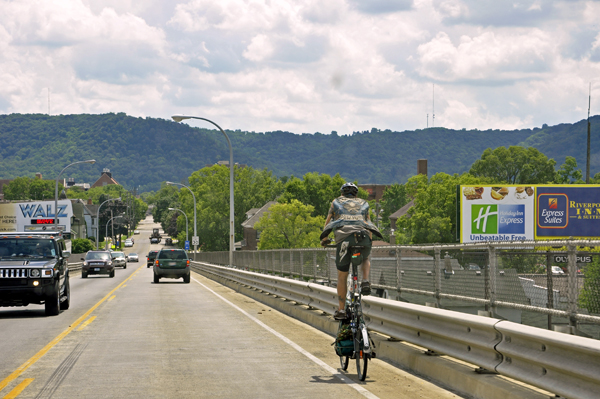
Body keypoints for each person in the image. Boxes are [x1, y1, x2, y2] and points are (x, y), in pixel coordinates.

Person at [320, 182, 382, 320]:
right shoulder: (364, 203)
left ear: (342, 193)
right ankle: (365, 280)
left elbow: (329, 221)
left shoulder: (335, 202)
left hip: (344, 240)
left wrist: (324, 238)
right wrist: (369, 242)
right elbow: (369, 222)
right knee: (365, 258)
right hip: (363, 237)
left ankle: (341, 310)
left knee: (342, 275)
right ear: (356, 194)